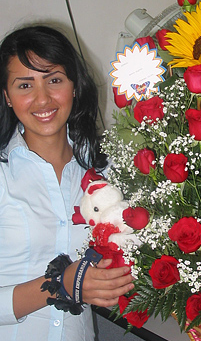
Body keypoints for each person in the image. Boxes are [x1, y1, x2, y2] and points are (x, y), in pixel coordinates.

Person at [0, 25, 134, 341]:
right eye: (24, 85)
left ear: (75, 86)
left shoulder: (106, 170)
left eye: (54, 80)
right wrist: (60, 285)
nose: (42, 99)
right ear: (6, 96)